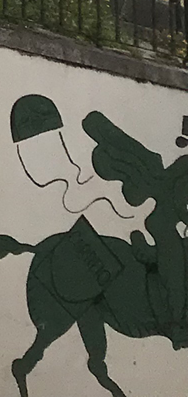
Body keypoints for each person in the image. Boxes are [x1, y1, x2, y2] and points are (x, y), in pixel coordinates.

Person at [84, 111, 188, 344]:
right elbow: (177, 200)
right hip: (164, 225)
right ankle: (176, 321)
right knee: (176, 266)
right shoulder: (183, 166)